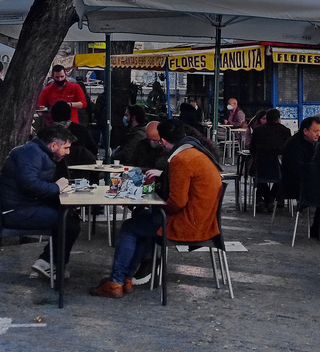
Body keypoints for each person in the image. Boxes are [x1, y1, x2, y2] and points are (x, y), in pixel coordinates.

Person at [88, 119, 223, 298]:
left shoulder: (181, 159)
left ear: (164, 141)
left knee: (130, 228)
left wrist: (156, 204)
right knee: (142, 226)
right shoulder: (195, 152)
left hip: (190, 223)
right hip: (203, 219)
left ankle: (116, 281)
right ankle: (124, 279)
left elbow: (177, 202)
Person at [0, 124, 81, 280]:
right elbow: (29, 183)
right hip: (14, 212)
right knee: (68, 223)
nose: (68, 152)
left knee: (70, 219)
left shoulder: (35, 152)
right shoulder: (30, 153)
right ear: (54, 145)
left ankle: (50, 263)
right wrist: (56, 187)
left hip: (21, 207)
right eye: (66, 148)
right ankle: (49, 264)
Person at [249, 108, 293, 211]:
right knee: (283, 176)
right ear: (278, 119)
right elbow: (288, 151)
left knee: (258, 175)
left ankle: (266, 199)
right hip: (278, 167)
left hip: (260, 166)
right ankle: (271, 198)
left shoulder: (258, 131)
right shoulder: (285, 131)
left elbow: (252, 150)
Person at [281, 116, 320, 206]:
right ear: (305, 131)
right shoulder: (294, 145)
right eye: (315, 131)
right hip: (294, 184)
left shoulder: (308, 143)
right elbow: (297, 168)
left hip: (302, 180)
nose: (319, 134)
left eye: (319, 131)